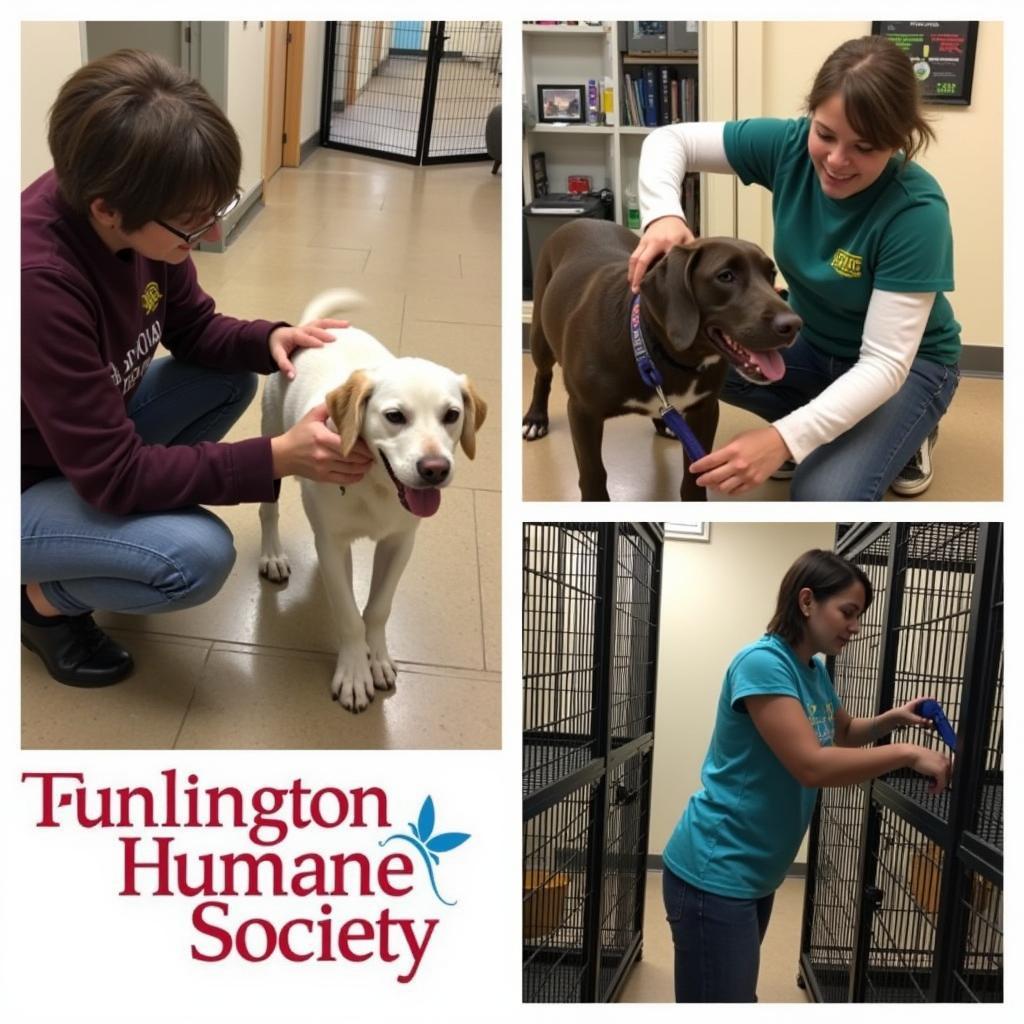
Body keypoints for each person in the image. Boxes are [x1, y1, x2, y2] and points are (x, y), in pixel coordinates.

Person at [21, 49, 374, 688]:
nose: (209, 234)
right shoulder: (38, 285)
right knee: (196, 558)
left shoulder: (139, 210)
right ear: (106, 209)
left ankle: (88, 543)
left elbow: (193, 330)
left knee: (232, 376)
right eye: (191, 224)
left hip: (69, 450)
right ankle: (42, 602)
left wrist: (273, 337)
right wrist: (274, 459)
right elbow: (115, 475)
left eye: (217, 207)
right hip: (24, 479)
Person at [629, 36, 961, 500]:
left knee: (820, 493)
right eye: (825, 134)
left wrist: (783, 439)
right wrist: (663, 212)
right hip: (812, 341)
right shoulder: (788, 146)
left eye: (864, 147)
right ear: (811, 116)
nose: (837, 161)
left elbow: (885, 363)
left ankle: (906, 432)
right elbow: (670, 139)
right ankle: (842, 425)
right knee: (697, 360)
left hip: (909, 366)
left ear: (898, 141)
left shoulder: (915, 211)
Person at [661, 549, 953, 1002]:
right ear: (806, 601)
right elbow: (811, 764)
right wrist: (908, 754)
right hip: (715, 869)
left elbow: (846, 732)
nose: (855, 627)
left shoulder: (811, 669)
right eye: (848, 612)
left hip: (753, 872)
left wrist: (892, 719)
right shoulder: (762, 663)